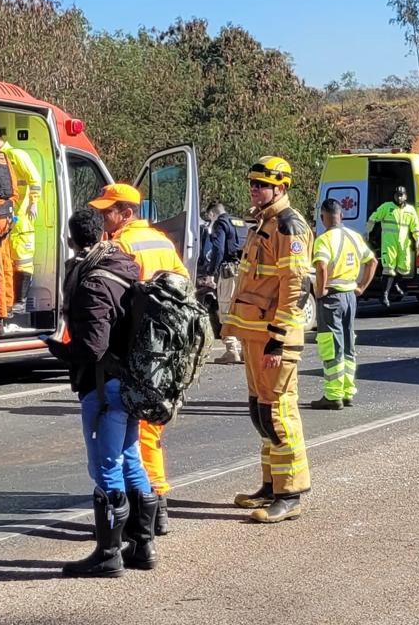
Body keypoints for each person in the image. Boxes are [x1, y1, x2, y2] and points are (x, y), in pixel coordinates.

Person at [47, 209, 158, 577]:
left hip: (103, 386)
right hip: (130, 382)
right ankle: (143, 546)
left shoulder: (93, 282)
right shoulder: (124, 264)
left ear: (72, 239)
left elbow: (93, 347)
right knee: (132, 459)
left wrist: (60, 351)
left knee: (105, 467)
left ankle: (108, 555)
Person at [88, 182, 189, 535]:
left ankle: (152, 508)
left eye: (108, 211)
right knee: (149, 427)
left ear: (127, 213)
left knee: (137, 433)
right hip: (164, 350)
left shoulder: (121, 245)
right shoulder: (162, 241)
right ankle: (154, 509)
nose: (103, 217)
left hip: (136, 349)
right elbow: (183, 291)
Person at [222, 156, 312, 523]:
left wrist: (278, 338)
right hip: (253, 333)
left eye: (261, 184)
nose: (254, 189)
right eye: (253, 183)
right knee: (260, 413)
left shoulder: (289, 226)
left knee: (278, 413)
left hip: (274, 337)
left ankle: (290, 493)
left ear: (281, 187)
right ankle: (270, 486)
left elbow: (296, 287)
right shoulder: (263, 223)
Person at [309, 198, 377, 410]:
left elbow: (320, 268)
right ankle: (347, 391)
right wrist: (362, 286)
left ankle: (333, 395)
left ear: (323, 217)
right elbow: (372, 261)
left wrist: (319, 292)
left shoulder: (323, 240)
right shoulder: (355, 237)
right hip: (350, 295)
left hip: (332, 297)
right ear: (342, 215)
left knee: (331, 345)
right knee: (348, 343)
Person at [0, 118, 41, 322]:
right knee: (10, 261)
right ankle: (11, 304)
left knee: (22, 261)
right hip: (9, 217)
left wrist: (33, 203)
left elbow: (35, 180)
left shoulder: (16, 155)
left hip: (21, 217)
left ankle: (20, 302)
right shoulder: (0, 157)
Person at [197, 202, 244, 364]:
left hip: (228, 272)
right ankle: (244, 350)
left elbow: (218, 249)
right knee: (240, 310)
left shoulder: (219, 224)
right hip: (241, 270)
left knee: (225, 310)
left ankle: (232, 350)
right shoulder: (235, 223)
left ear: (211, 214)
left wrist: (210, 273)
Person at [367, 186, 419, 307]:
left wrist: (418, 240)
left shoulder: (410, 210)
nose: (399, 197)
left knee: (405, 268)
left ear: (406, 196)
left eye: (401, 195)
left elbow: (415, 227)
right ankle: (384, 295)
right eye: (397, 194)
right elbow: (373, 218)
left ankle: (395, 284)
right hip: (389, 243)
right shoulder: (387, 207)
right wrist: (367, 232)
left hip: (403, 243)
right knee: (389, 269)